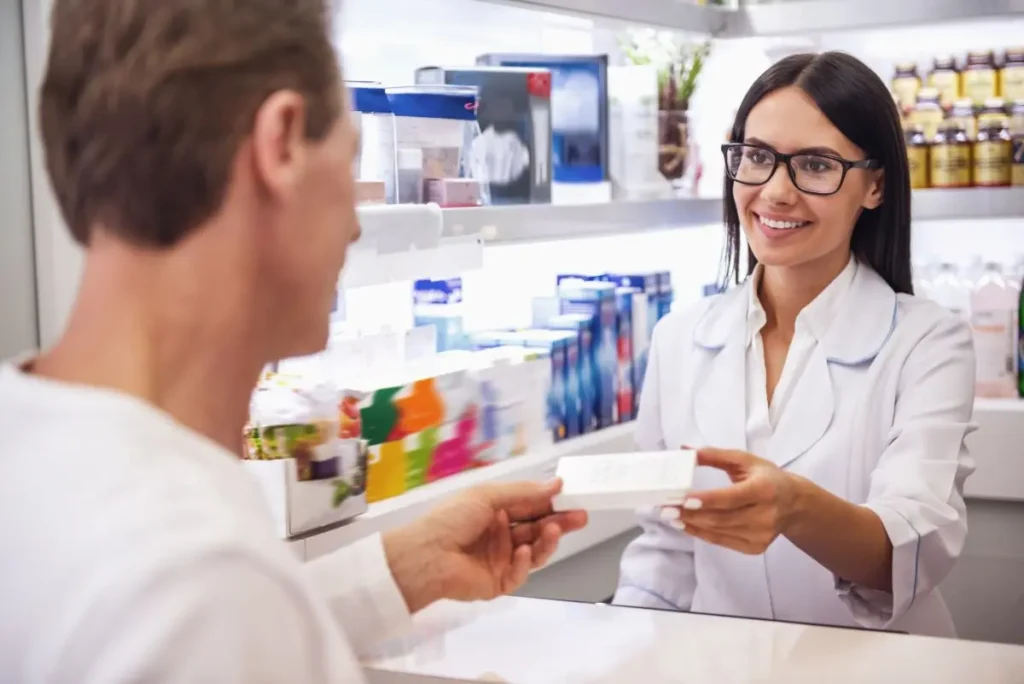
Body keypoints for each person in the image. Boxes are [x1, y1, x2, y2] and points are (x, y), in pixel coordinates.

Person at [0, 1, 587, 682]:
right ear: (279, 144)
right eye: (349, 156)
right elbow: (212, 614)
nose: (355, 227)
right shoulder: (195, 575)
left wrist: (404, 567)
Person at [613, 52, 976, 638]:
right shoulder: (679, 337)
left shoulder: (928, 342)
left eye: (815, 165)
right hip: (720, 666)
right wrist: (624, 648)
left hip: (881, 668)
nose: (776, 192)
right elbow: (667, 551)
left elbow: (911, 549)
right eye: (757, 157)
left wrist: (793, 506)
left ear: (875, 185)